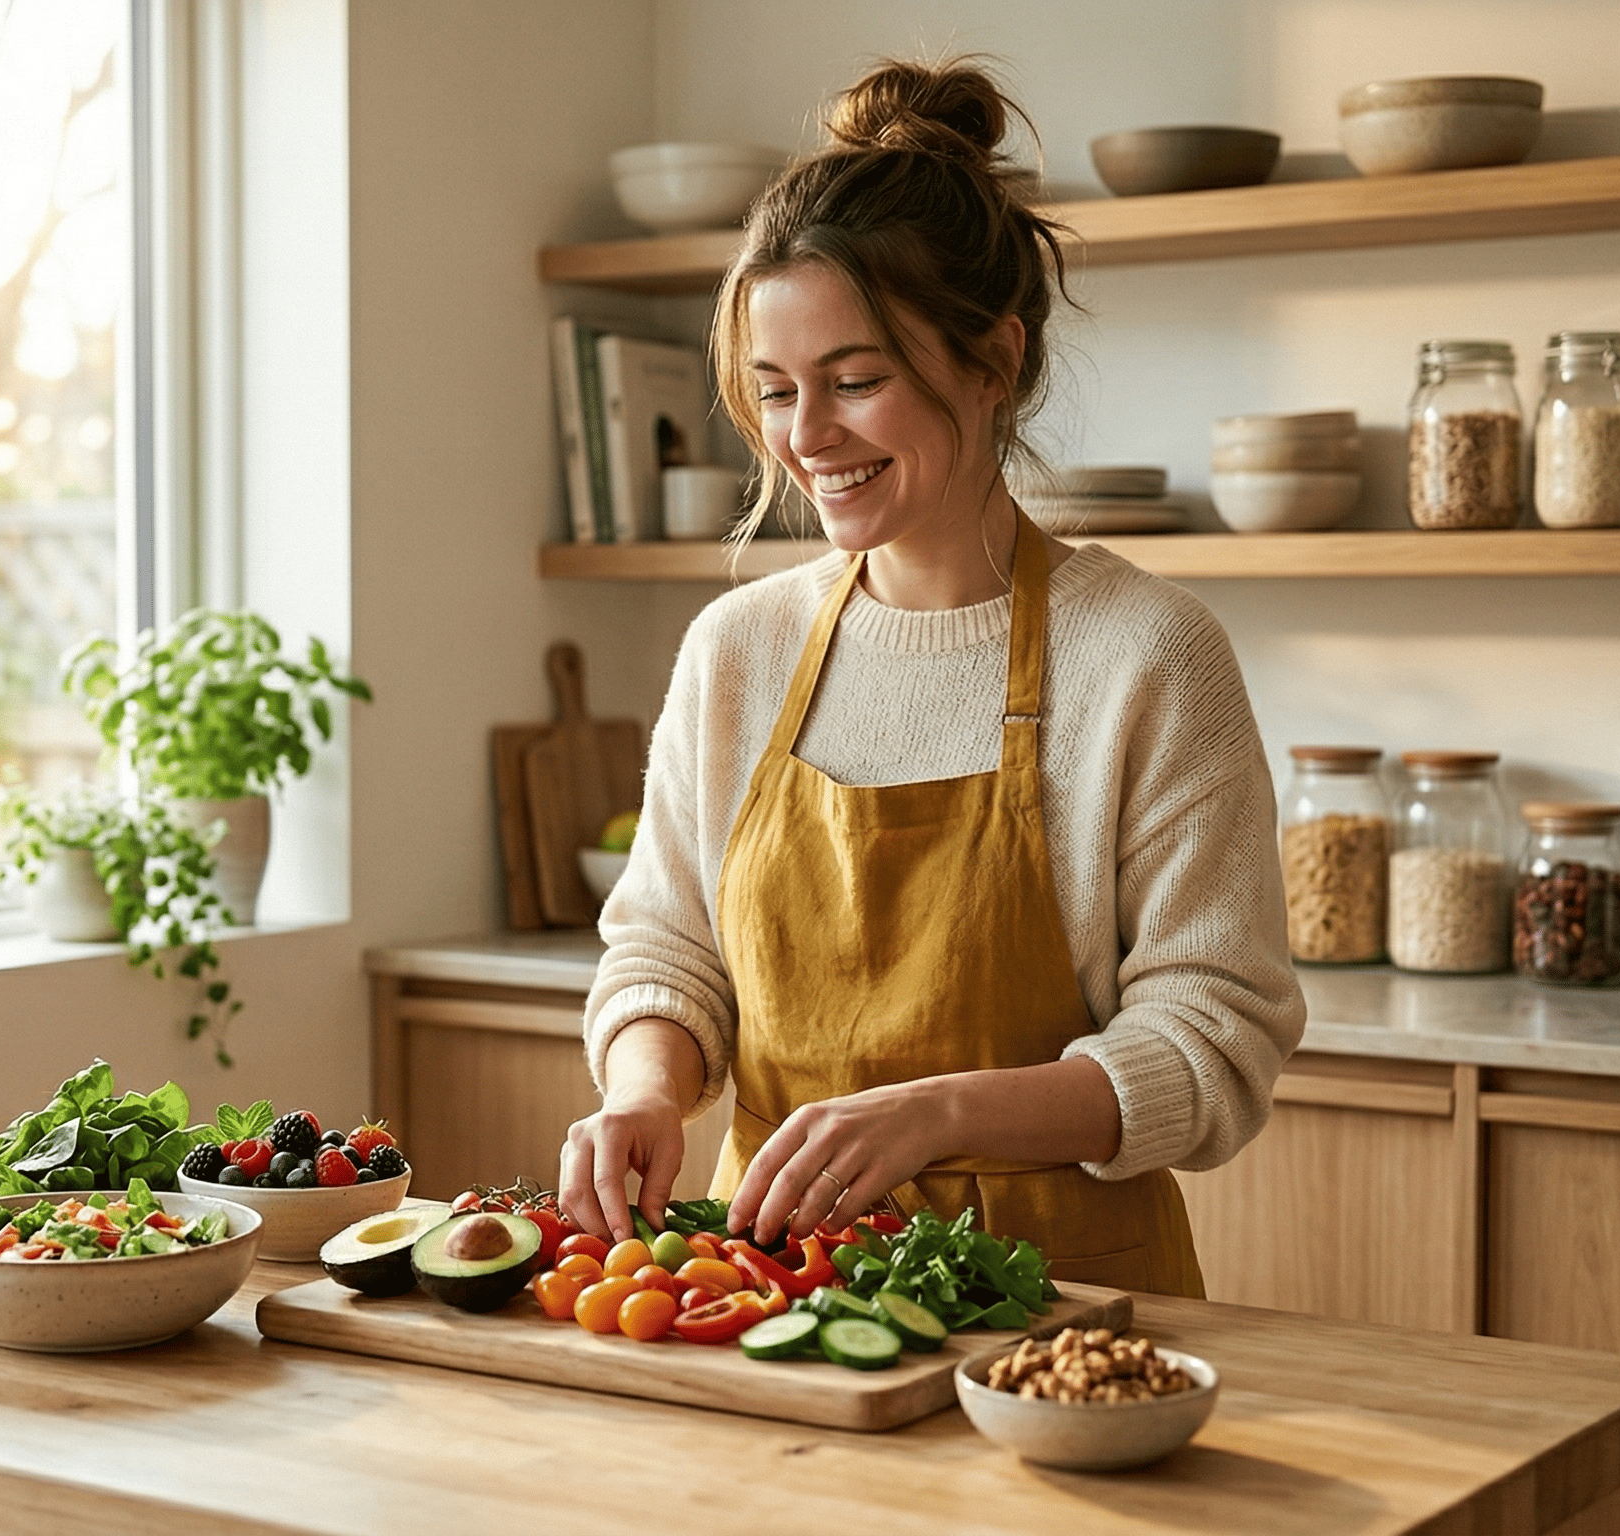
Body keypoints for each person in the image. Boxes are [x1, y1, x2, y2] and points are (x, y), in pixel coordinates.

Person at [555, 58, 1303, 1298]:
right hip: (767, 1289)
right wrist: (645, 1087)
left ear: (994, 358)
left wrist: (934, 1117)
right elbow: (665, 951)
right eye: (775, 391)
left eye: (856, 381)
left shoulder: (1146, 655)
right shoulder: (736, 651)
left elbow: (1211, 1042)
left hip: (1063, 1309)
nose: (805, 439)